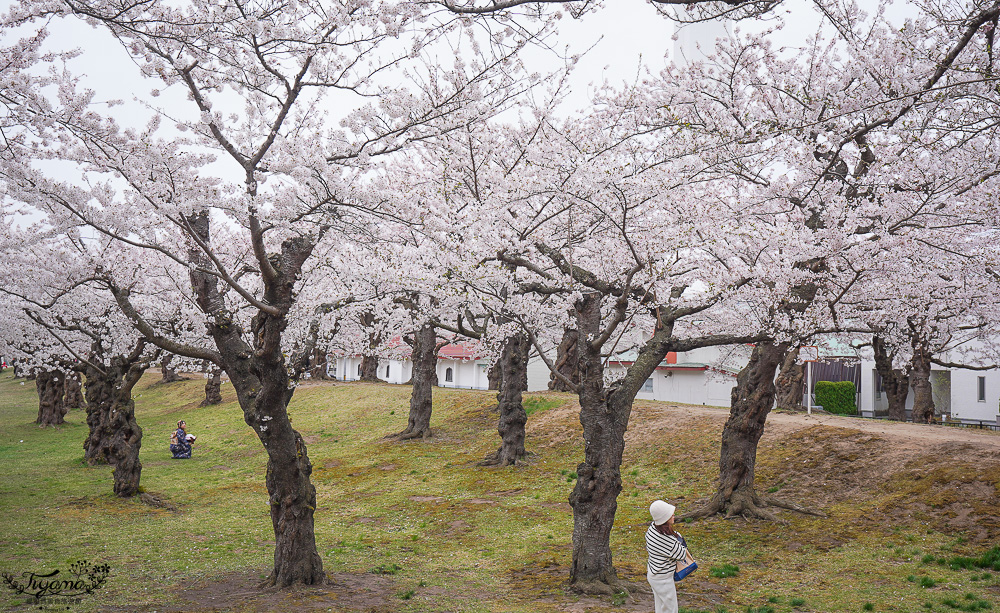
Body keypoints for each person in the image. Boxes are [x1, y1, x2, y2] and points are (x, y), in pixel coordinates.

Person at [646, 500, 695, 613]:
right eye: (669, 514)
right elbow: (682, 554)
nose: (673, 514)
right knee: (671, 610)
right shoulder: (666, 540)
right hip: (663, 579)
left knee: (661, 608)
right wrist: (679, 538)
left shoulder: (652, 528)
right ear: (664, 518)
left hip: (654, 574)